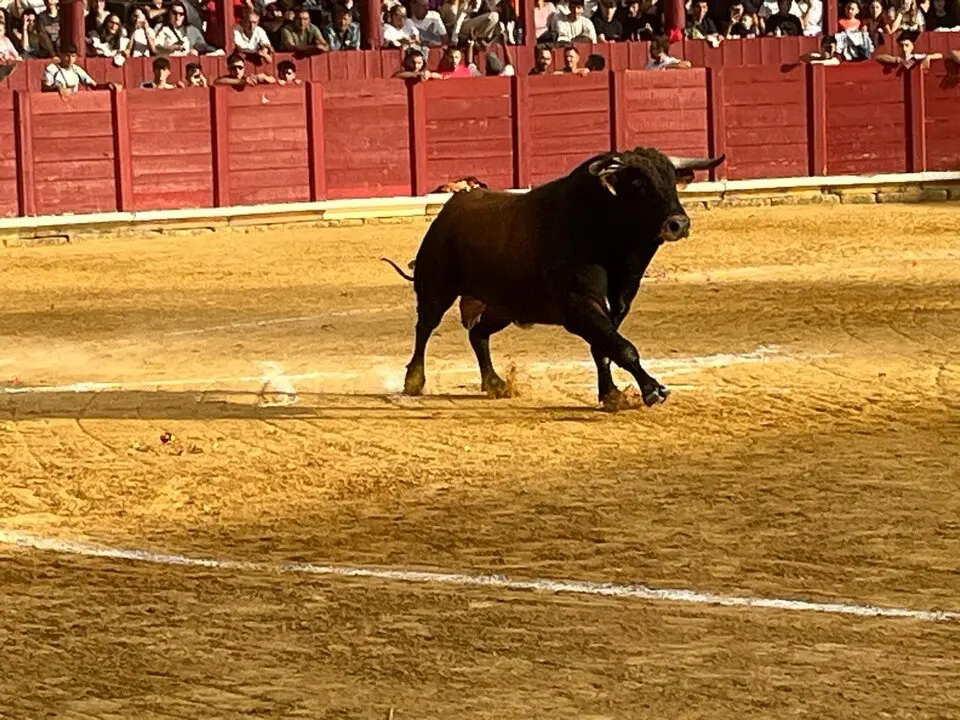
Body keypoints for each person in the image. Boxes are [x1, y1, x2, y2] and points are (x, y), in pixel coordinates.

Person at [42, 42, 118, 95]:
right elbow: (45, 88)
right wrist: (57, 88)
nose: (70, 59)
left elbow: (94, 85)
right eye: (67, 56)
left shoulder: (76, 69)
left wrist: (107, 85)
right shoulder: (52, 69)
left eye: (73, 56)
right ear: (61, 55)